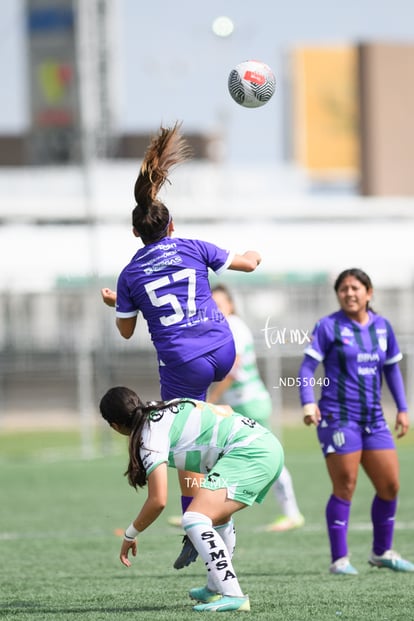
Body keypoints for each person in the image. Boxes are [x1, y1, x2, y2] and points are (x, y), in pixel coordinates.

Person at [101, 122, 262, 569]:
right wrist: (257, 253)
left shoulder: (130, 273)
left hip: (185, 364)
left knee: (182, 444)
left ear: (136, 234)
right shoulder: (191, 245)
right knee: (202, 434)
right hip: (222, 350)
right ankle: (212, 517)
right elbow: (247, 263)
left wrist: (121, 302)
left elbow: (128, 332)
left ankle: (197, 519)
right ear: (171, 225)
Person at [99, 385, 284, 612]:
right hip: (263, 443)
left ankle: (234, 596)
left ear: (115, 426)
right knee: (217, 517)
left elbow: (158, 500)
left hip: (251, 452)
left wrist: (130, 534)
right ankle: (215, 587)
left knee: (194, 518)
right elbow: (222, 410)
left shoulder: (149, 437)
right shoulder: (161, 408)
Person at [298, 268, 414, 575]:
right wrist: (308, 403)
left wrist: (403, 409)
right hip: (338, 419)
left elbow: (391, 370)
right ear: (338, 295)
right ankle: (340, 560)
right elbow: (307, 369)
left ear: (369, 292)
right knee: (345, 485)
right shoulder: (328, 326)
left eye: (355, 288)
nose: (349, 293)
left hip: (374, 419)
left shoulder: (383, 327)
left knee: (390, 486)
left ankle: (381, 552)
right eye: (343, 289)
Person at [208, 284, 304, 532]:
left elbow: (233, 369)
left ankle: (291, 513)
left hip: (249, 403)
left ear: (230, 305)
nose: (216, 309)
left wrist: (210, 399)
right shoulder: (223, 327)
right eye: (212, 304)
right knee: (227, 455)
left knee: (266, 458)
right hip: (241, 403)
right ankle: (206, 509)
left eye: (220, 304)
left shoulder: (233, 326)